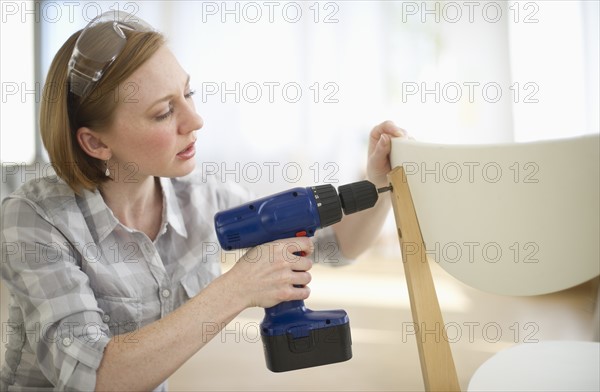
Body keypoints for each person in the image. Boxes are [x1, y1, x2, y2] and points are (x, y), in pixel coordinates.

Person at [0, 11, 406, 391]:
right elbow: (93, 376)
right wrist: (238, 288)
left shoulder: (200, 197)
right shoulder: (33, 219)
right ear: (95, 142)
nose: (195, 121)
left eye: (188, 92)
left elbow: (337, 247)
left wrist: (376, 180)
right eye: (163, 113)